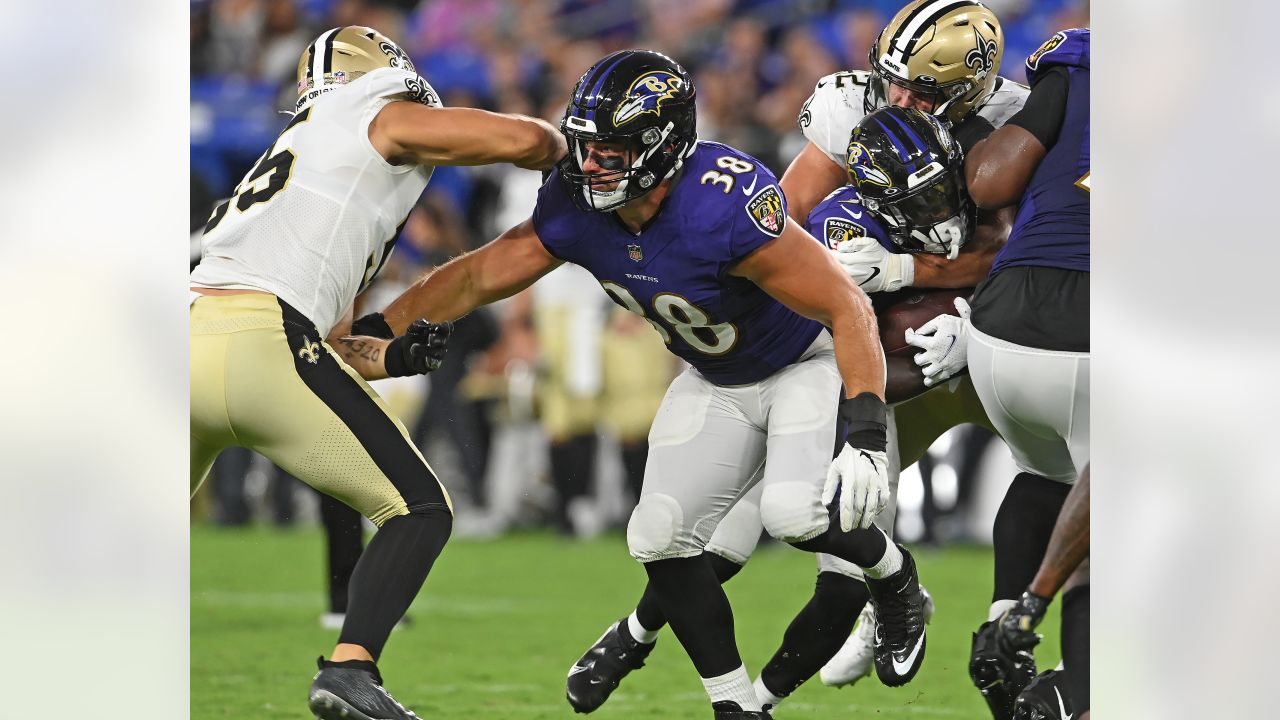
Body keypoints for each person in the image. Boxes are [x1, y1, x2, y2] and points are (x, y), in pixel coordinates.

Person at [368, 49, 928, 719]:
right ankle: (732, 706)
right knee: (657, 536)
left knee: (793, 515)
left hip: (798, 365)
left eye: (612, 149)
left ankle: (895, 578)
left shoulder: (723, 202)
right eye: (585, 145)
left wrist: (865, 429)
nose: (591, 164)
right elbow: (475, 276)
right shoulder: (576, 206)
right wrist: (378, 328)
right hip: (716, 377)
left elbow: (847, 305)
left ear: (663, 147)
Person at [189, 25, 565, 720]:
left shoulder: (301, 151)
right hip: (261, 336)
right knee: (419, 509)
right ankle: (350, 668)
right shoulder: (370, 111)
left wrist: (388, 355)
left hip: (188, 336)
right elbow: (520, 142)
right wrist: (566, 146)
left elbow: (330, 340)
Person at [559, 106, 982, 713]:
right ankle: (637, 637)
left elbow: (1010, 264)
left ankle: (757, 701)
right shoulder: (843, 228)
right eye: (917, 200)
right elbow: (838, 316)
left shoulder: (987, 213)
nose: (937, 212)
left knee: (831, 573)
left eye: (943, 191)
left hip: (871, 397)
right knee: (709, 545)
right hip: (833, 387)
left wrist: (940, 294)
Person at [913, 26, 1091, 719]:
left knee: (1049, 474)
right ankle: (1068, 686)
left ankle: (1002, 627)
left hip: (998, 329)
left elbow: (987, 184)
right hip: (1100, 331)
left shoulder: (1080, 64)